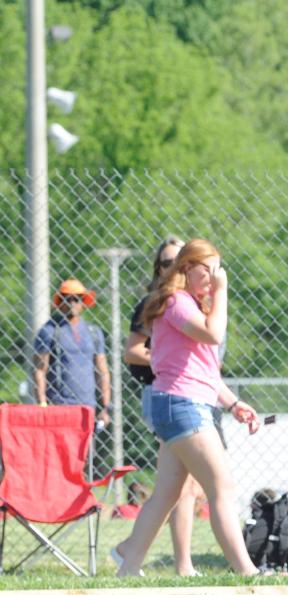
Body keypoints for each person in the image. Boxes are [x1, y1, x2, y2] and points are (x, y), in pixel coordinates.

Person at [111, 238, 261, 577]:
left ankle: (129, 564)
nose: (212, 277)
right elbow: (213, 336)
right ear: (185, 269)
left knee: (167, 492)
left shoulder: (188, 304)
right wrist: (221, 292)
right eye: (205, 270)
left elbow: (203, 370)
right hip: (182, 405)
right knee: (221, 487)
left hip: (183, 402)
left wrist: (234, 404)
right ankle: (246, 571)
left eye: (216, 270)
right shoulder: (176, 302)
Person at [125, 236, 204, 576]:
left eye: (182, 261)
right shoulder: (154, 303)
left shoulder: (189, 303)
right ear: (158, 269)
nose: (175, 267)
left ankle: (128, 553)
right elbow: (132, 351)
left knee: (177, 485)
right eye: (167, 262)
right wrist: (165, 361)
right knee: (182, 486)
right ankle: (182, 564)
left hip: (191, 393)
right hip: (164, 393)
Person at [33, 278, 112, 427]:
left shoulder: (93, 333)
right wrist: (42, 405)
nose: (72, 303)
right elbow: (39, 370)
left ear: (83, 302)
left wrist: (106, 406)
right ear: (60, 302)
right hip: (58, 406)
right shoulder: (49, 331)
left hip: (88, 406)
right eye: (67, 299)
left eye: (77, 299)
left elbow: (102, 371)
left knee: (86, 450)